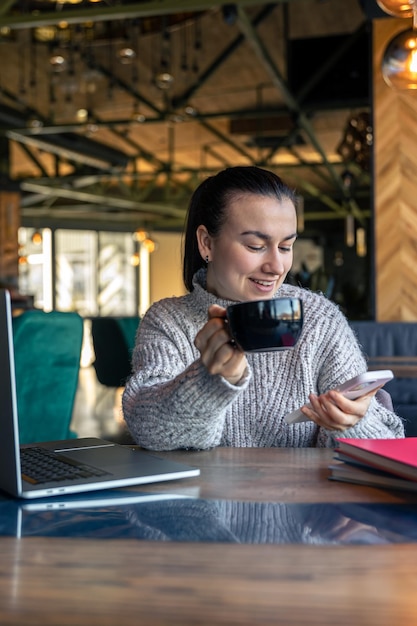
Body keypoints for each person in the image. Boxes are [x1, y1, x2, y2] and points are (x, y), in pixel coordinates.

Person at [122, 166, 404, 450]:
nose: (276, 267)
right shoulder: (168, 321)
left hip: (304, 494)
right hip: (201, 493)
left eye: (285, 247)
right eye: (256, 246)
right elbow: (150, 432)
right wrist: (212, 380)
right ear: (206, 243)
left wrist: (354, 423)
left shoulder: (319, 319)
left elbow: (390, 445)